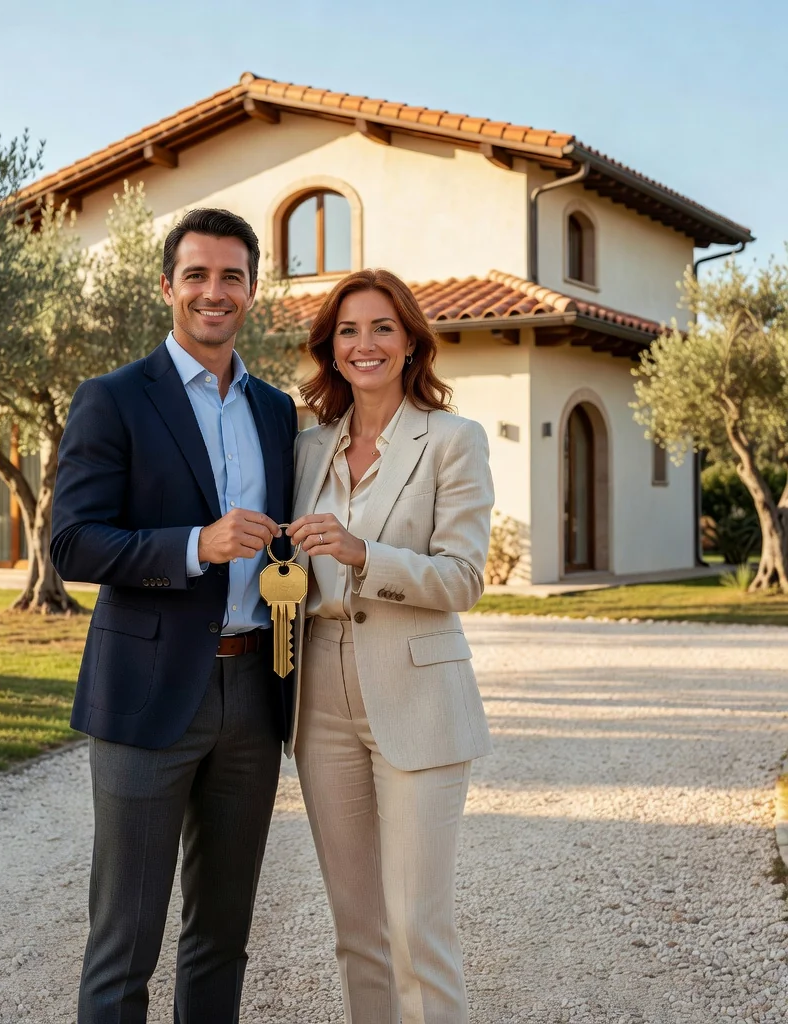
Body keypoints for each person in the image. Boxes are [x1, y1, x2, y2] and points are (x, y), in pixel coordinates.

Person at [50, 208, 297, 1023]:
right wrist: (199, 543)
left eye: (232, 276)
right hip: (146, 693)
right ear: (167, 287)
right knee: (124, 945)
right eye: (196, 275)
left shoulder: (276, 412)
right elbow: (76, 546)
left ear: (253, 292)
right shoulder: (113, 399)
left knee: (222, 936)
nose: (214, 292)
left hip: (255, 693)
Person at [287, 268, 494, 1024]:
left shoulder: (453, 441)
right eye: (348, 330)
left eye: (381, 328)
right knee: (357, 929)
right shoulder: (308, 450)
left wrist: (360, 552)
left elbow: (464, 578)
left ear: (410, 342)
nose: (364, 343)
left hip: (419, 693)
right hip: (320, 695)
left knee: (416, 926)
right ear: (330, 348)